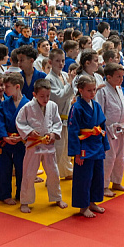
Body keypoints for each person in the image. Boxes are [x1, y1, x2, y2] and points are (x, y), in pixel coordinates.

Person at [15, 78, 66, 213]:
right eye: (42, 96)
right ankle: (25, 201)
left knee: (54, 173)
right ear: (34, 94)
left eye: (48, 96)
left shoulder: (53, 106)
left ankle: (57, 198)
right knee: (29, 174)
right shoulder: (27, 107)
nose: (45, 99)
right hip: (34, 145)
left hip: (48, 145)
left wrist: (54, 133)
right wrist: (29, 132)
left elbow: (57, 122)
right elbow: (20, 122)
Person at [67, 75, 109, 218]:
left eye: (94, 90)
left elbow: (102, 126)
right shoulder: (76, 107)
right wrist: (77, 153)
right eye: (89, 90)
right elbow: (73, 131)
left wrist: (104, 145)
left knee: (98, 176)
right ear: (80, 90)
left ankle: (92, 202)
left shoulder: (96, 105)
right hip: (84, 146)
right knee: (84, 177)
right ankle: (83, 206)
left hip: (97, 144)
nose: (92, 93)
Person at [95, 63, 124, 197]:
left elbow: (122, 107)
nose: (121, 79)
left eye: (122, 76)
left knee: (120, 157)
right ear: (108, 77)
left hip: (120, 127)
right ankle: (104, 186)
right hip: (108, 129)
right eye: (118, 76)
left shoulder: (119, 88)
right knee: (109, 158)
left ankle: (116, 182)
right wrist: (101, 131)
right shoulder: (102, 90)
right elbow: (100, 111)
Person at [0, 73, 28, 205]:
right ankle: (5, 195)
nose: (4, 89)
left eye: (7, 86)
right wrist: (4, 136)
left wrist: (23, 136)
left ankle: (22, 194)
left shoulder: (28, 104)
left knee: (22, 169)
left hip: (22, 141)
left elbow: (32, 123)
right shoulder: (4, 104)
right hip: (7, 140)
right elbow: (1, 122)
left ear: (17, 87)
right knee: (4, 169)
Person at [47, 49, 75, 180]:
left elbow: (69, 95)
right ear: (50, 62)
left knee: (65, 148)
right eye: (57, 61)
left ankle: (67, 171)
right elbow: (59, 97)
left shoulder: (64, 75)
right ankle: (51, 177)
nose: (61, 63)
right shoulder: (49, 79)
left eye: (63, 60)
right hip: (55, 119)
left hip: (67, 117)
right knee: (57, 149)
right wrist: (70, 84)